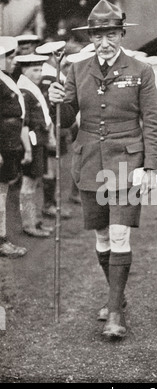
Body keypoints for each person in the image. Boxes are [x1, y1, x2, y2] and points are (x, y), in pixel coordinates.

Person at [49, 0, 157, 339]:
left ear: (121, 34)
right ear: (91, 37)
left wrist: (152, 167)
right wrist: (59, 100)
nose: (104, 42)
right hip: (89, 162)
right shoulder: (76, 70)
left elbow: (152, 123)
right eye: (98, 36)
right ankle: (118, 294)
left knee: (119, 234)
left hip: (127, 163)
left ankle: (115, 313)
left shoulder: (141, 70)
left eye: (111, 35)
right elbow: (67, 121)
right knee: (100, 237)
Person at [16, 54, 54, 238]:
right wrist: (29, 149)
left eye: (40, 69)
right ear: (24, 70)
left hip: (39, 142)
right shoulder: (24, 91)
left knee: (34, 183)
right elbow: (24, 124)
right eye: (34, 70)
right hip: (32, 143)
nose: (39, 74)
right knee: (28, 185)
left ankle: (35, 221)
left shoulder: (32, 89)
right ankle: (29, 224)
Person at [35, 41, 72, 219]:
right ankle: (49, 205)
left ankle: (53, 204)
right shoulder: (49, 77)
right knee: (51, 167)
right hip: (51, 129)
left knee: (56, 167)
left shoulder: (54, 74)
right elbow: (46, 109)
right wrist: (50, 133)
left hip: (58, 129)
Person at [0, 37, 28, 258]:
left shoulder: (5, 78)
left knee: (2, 193)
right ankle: (1, 241)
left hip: (9, 147)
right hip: (2, 148)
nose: (13, 61)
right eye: (8, 57)